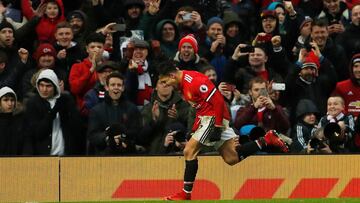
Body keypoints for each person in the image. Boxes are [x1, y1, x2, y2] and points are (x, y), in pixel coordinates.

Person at [157, 60, 289, 200]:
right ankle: (267, 139)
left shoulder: (194, 81)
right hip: (207, 118)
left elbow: (218, 101)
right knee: (232, 158)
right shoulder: (182, 86)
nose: (166, 85)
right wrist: (194, 130)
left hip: (213, 118)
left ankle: (186, 193)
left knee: (188, 151)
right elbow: (200, 108)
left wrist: (218, 125)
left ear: (172, 75)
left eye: (165, 82)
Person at [23, 69, 84, 155]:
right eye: (41, 85)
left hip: (65, 155)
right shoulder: (33, 103)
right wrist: (54, 111)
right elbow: (37, 133)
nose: (44, 89)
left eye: (48, 86)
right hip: (43, 156)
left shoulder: (66, 100)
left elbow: (77, 129)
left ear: (55, 86)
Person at [87, 72, 141, 155]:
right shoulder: (96, 111)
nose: (116, 88)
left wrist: (124, 138)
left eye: (119, 85)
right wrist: (108, 138)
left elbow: (137, 132)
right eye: (113, 85)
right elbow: (93, 136)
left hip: (128, 156)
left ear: (123, 88)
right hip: (103, 158)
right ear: (106, 87)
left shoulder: (132, 109)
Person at [333, 53, 360, 119]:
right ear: (351, 68)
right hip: (345, 125)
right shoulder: (341, 86)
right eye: (356, 66)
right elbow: (334, 108)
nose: (359, 70)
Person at [0, 86, 24, 155]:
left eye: (12, 100)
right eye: (6, 100)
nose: (10, 103)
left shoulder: (20, 121)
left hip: (17, 162)